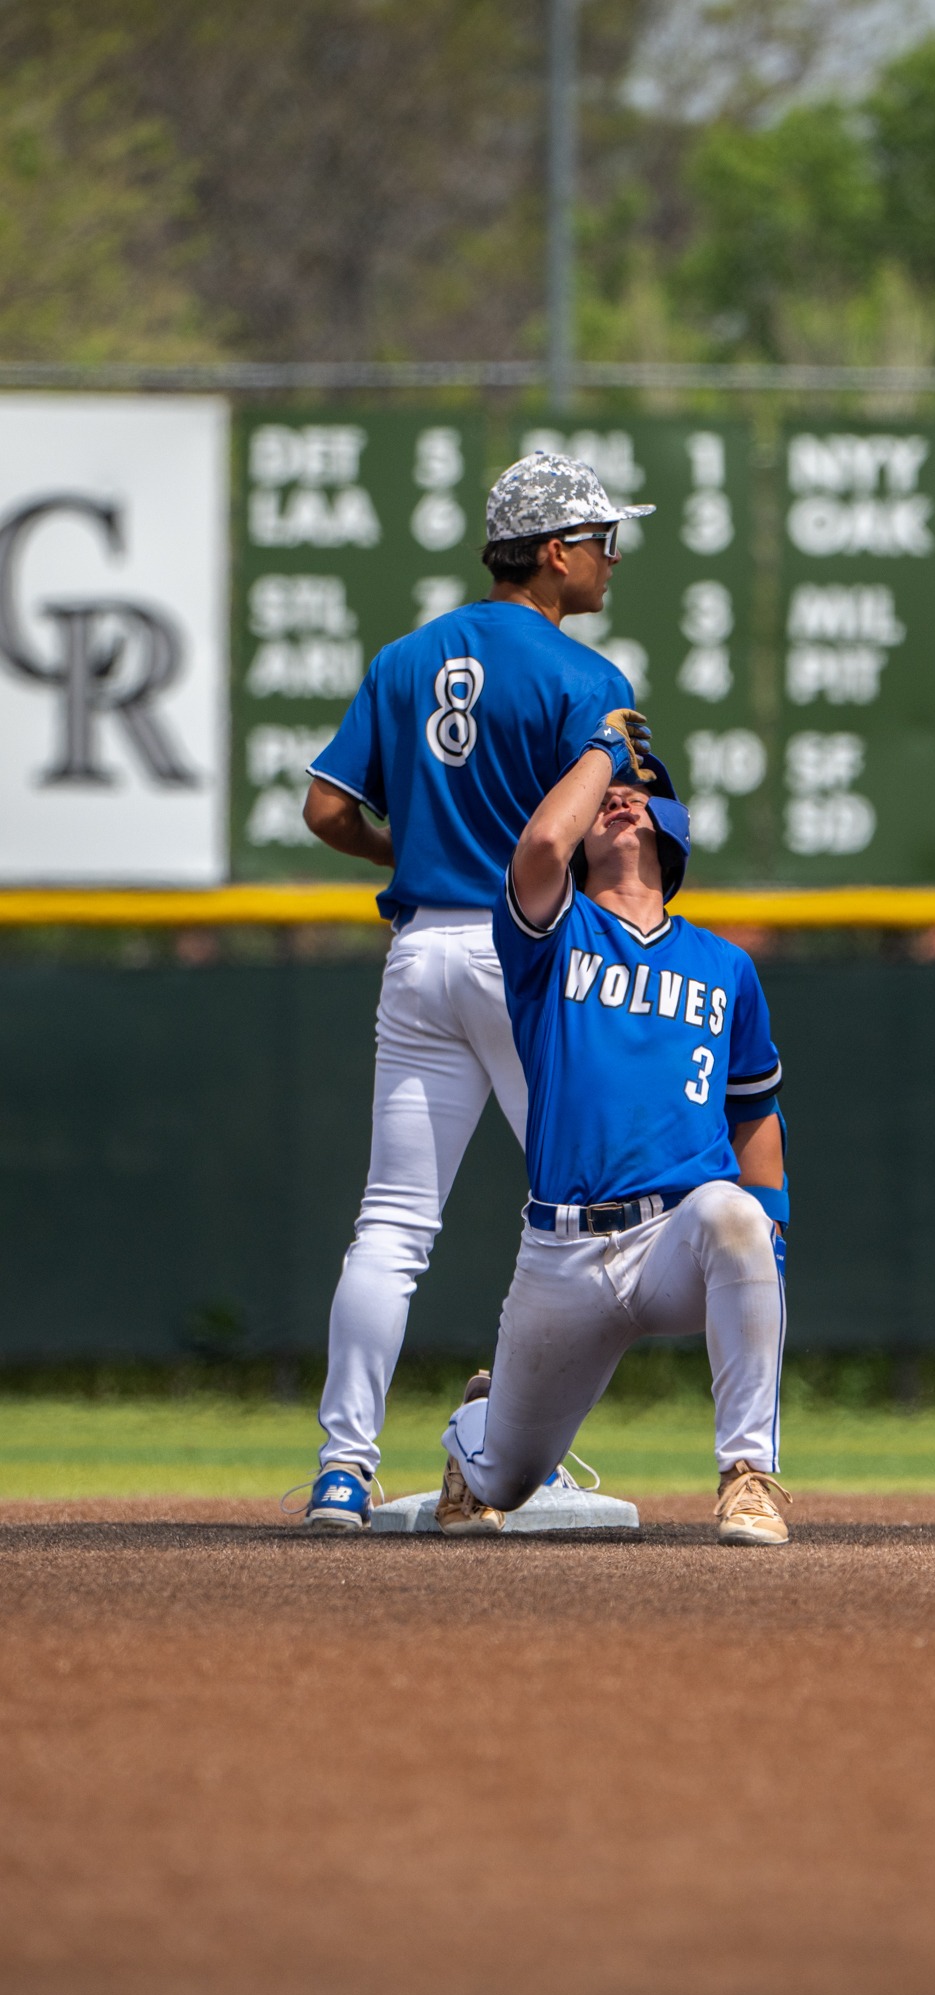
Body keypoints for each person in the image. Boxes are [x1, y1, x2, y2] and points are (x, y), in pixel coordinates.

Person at [292, 452, 656, 1534]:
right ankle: (505, 1451)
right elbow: (615, 837)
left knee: (391, 1224)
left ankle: (341, 1472)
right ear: (553, 552)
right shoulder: (588, 679)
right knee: (580, 1211)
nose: (612, 557)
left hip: (419, 954)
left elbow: (324, 809)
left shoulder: (405, 659)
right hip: (526, 955)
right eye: (600, 539)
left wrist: (407, 852)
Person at [432, 725, 793, 1547]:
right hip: (561, 1250)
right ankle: (478, 1425)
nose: (621, 796)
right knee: (503, 1483)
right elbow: (539, 848)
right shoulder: (551, 935)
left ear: (675, 831)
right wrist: (598, 748)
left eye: (642, 791)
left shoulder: (726, 967)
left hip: (675, 1236)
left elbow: (754, 1111)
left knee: (734, 1216)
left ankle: (748, 1475)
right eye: (604, 795)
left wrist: (772, 1226)